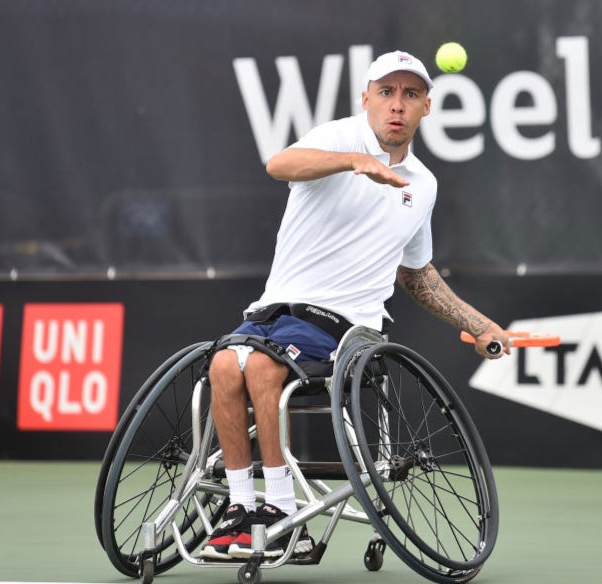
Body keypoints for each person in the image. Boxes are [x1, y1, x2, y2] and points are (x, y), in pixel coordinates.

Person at [199, 50, 509, 561]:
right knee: (222, 367)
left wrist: (480, 325)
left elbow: (417, 273)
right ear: (366, 99)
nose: (397, 105)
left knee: (256, 365)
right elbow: (279, 164)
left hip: (348, 328)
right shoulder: (339, 138)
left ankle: (278, 511)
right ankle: (239, 509)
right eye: (386, 92)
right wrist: (354, 161)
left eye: (411, 95)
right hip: (274, 311)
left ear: (426, 108)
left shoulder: (423, 186)